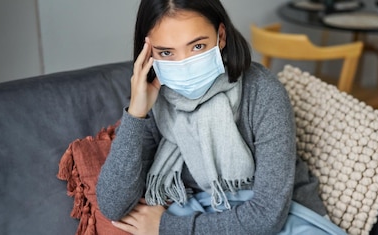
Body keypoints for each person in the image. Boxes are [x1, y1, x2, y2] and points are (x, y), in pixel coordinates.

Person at [96, 0, 345, 234]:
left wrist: (168, 228)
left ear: (221, 36)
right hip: (211, 219)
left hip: (286, 220)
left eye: (197, 46)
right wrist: (136, 113)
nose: (186, 64)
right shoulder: (155, 100)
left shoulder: (263, 91)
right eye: (166, 53)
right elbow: (113, 205)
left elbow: (269, 215)